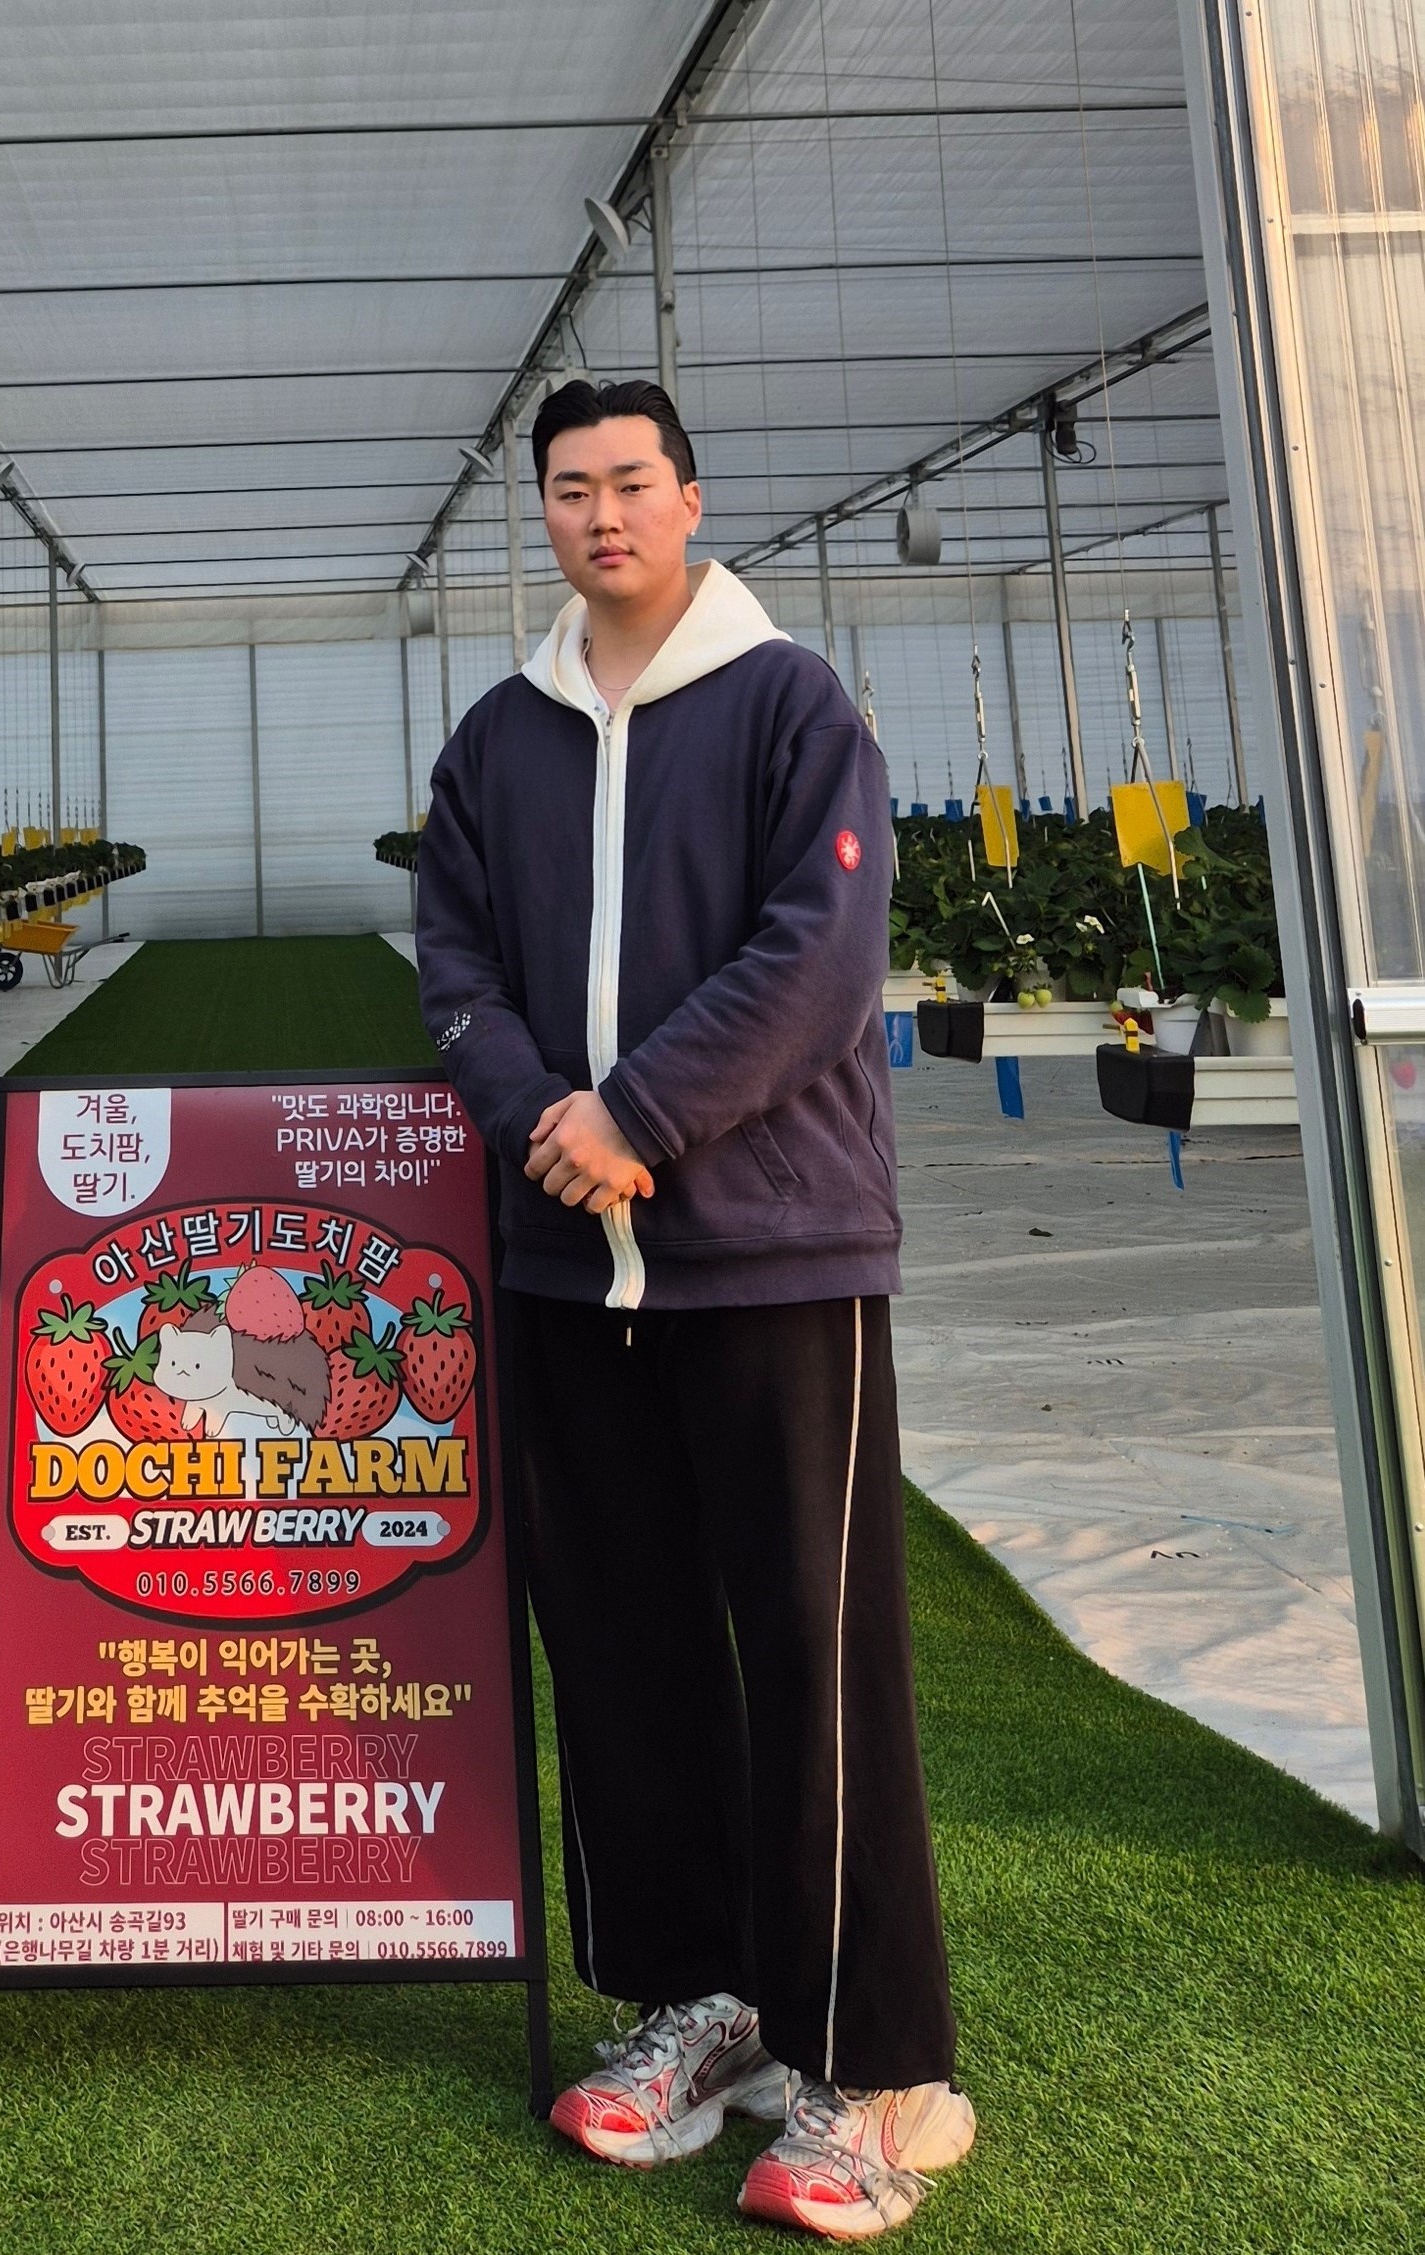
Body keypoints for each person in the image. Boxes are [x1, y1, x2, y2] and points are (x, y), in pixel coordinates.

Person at [414, 381, 969, 2243]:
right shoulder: (501, 733)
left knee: (815, 1659)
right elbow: (458, 961)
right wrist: (546, 1130)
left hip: (771, 1255)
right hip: (574, 1270)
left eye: (628, 483)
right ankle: (699, 2003)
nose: (599, 515)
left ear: (688, 496)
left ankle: (870, 2069)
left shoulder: (792, 704)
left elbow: (819, 956)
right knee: (627, 1647)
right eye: (566, 490)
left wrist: (637, 1116)